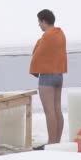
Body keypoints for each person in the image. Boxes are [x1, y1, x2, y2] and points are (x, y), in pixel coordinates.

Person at [30, 9, 67, 149]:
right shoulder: (60, 34)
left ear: (44, 21)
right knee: (57, 108)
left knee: (49, 110)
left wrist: (34, 71)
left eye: (39, 22)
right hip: (59, 75)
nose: (39, 25)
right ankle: (56, 142)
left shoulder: (47, 36)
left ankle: (51, 143)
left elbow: (37, 54)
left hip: (47, 76)